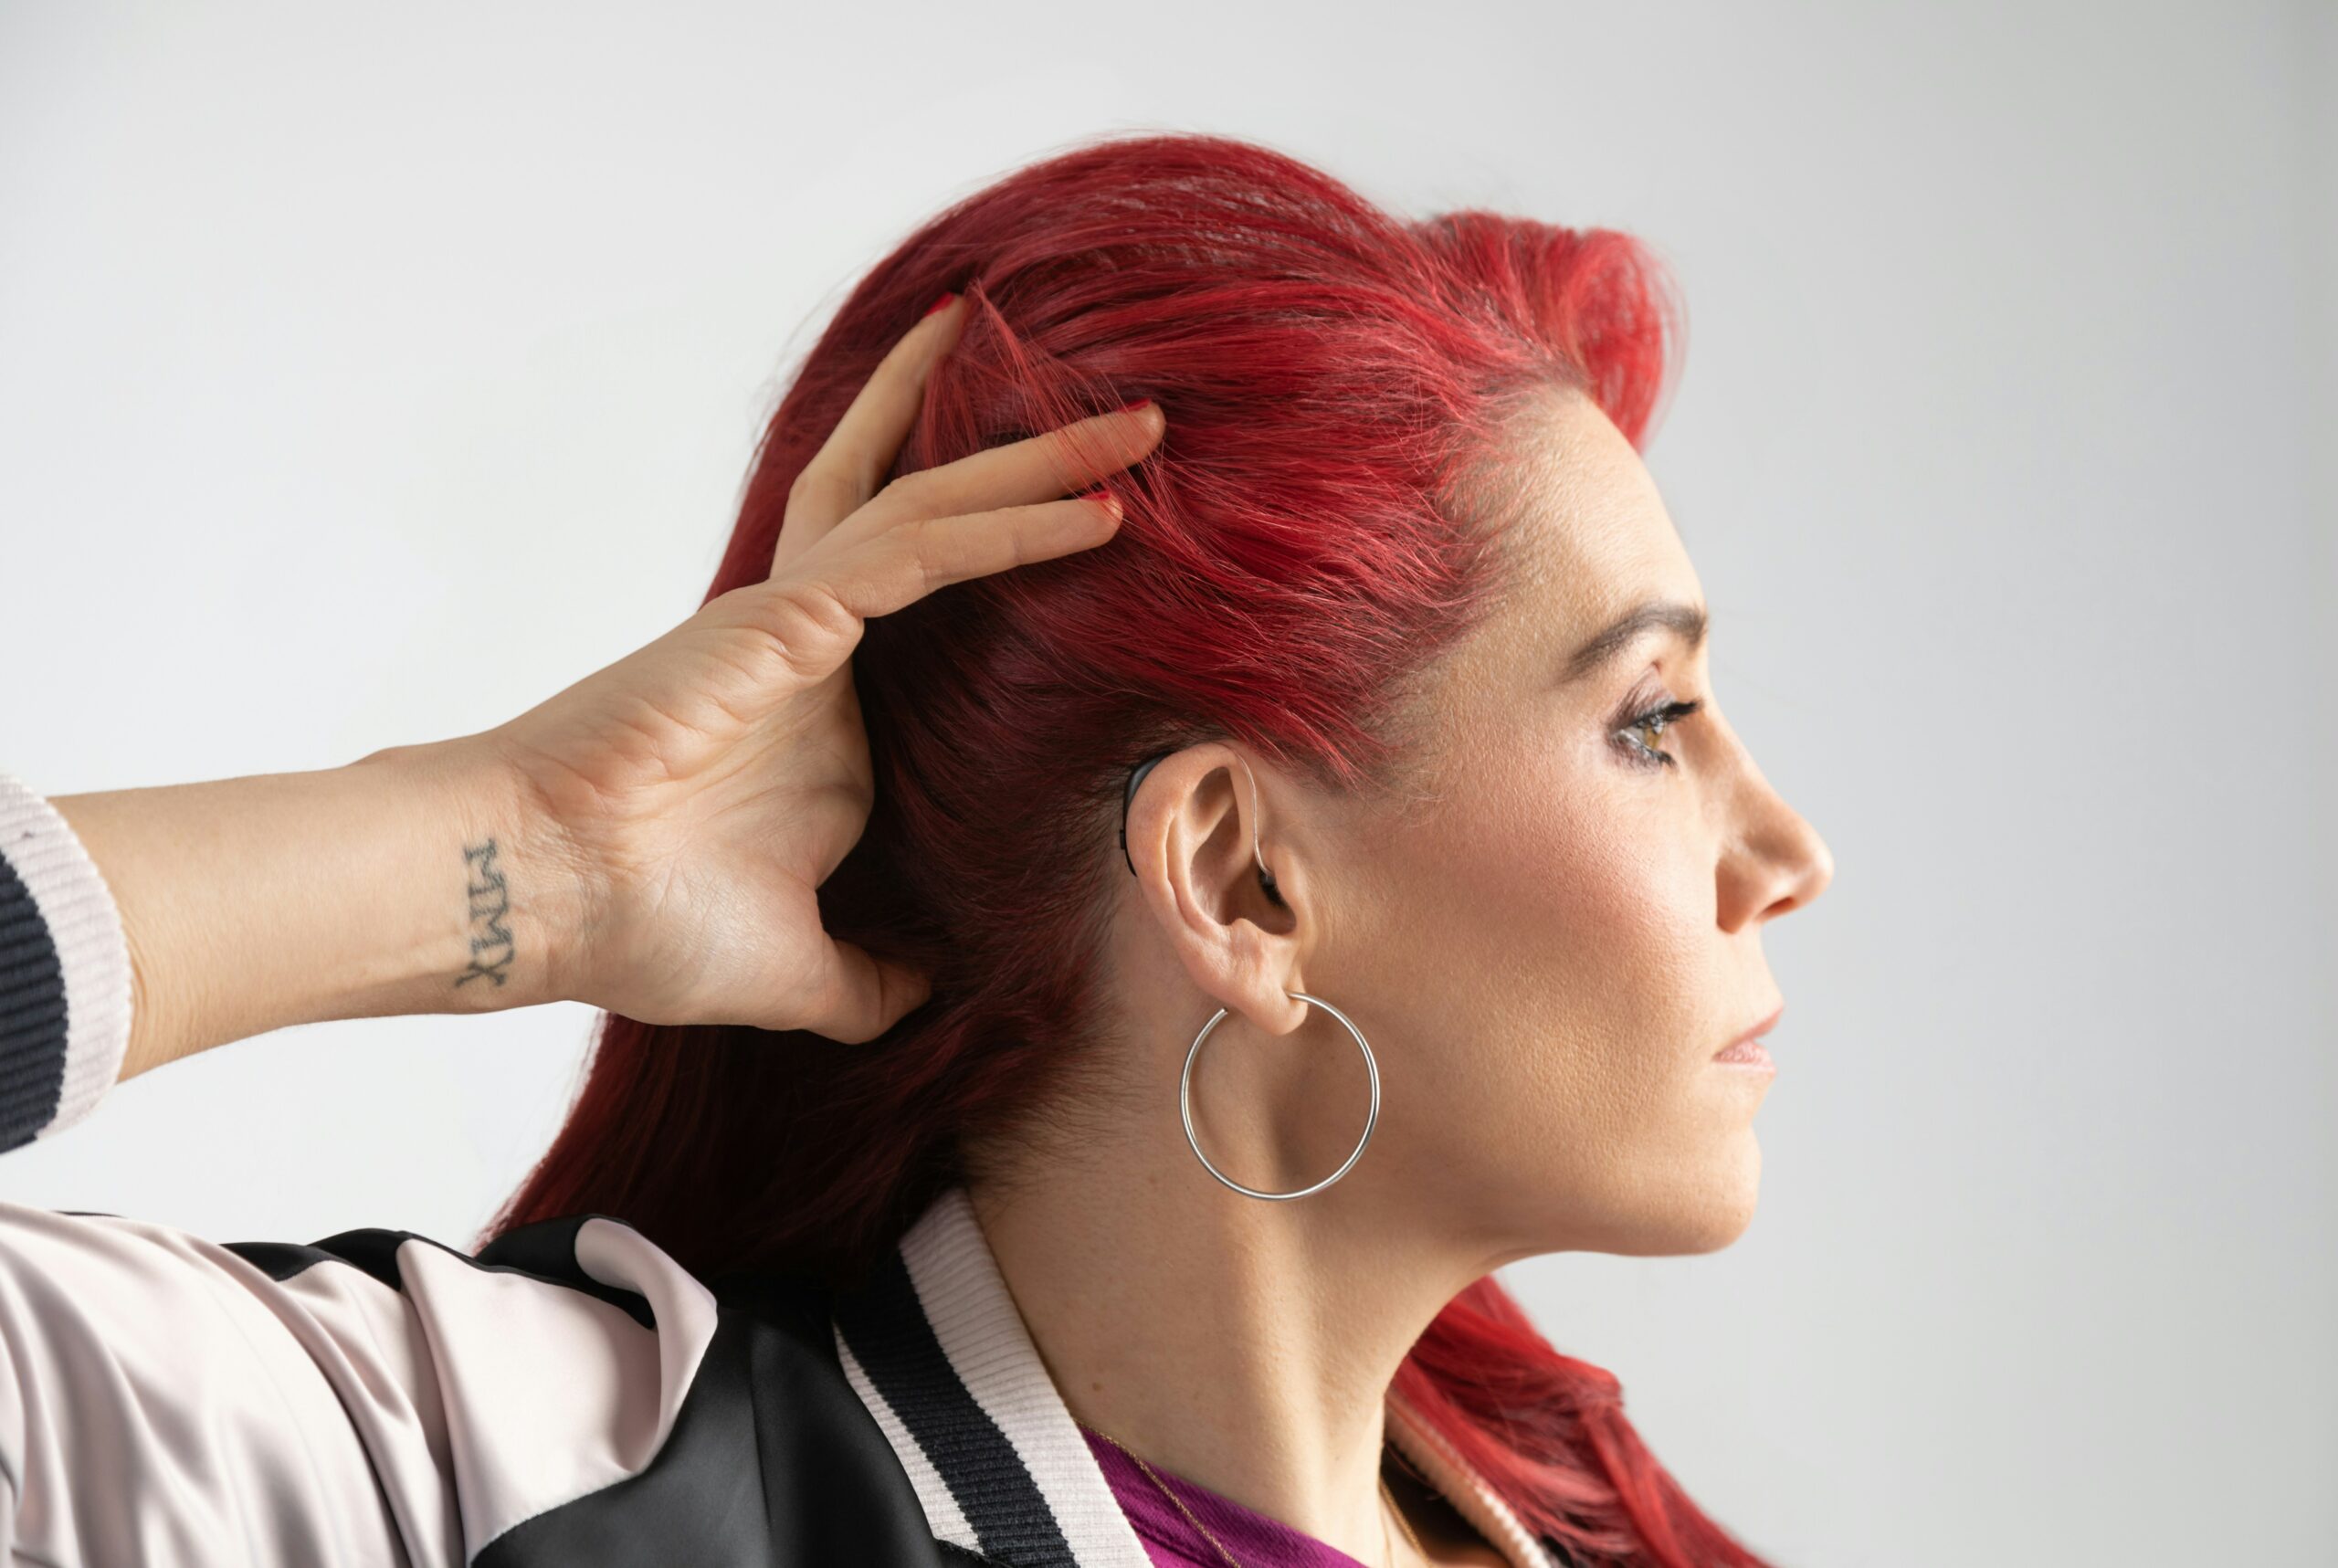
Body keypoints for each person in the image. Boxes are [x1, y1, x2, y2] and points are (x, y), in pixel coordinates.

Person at [0, 131, 1832, 1568]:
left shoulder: (1585, 1522)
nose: (1785, 849)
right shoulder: (536, 1482)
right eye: (1650, 718)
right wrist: (513, 851)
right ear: (1243, 882)